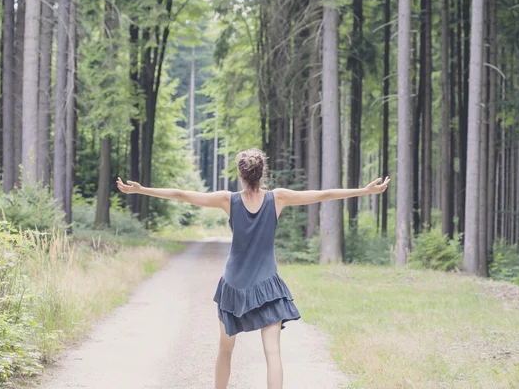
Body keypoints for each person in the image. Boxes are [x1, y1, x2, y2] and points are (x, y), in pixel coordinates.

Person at [116, 148, 390, 389]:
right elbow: (324, 194)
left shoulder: (228, 199)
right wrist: (364, 191)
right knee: (273, 353)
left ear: (240, 172)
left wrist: (141, 189)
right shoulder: (278, 198)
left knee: (225, 349)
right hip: (267, 285)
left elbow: (180, 194)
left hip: (234, 285)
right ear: (262, 172)